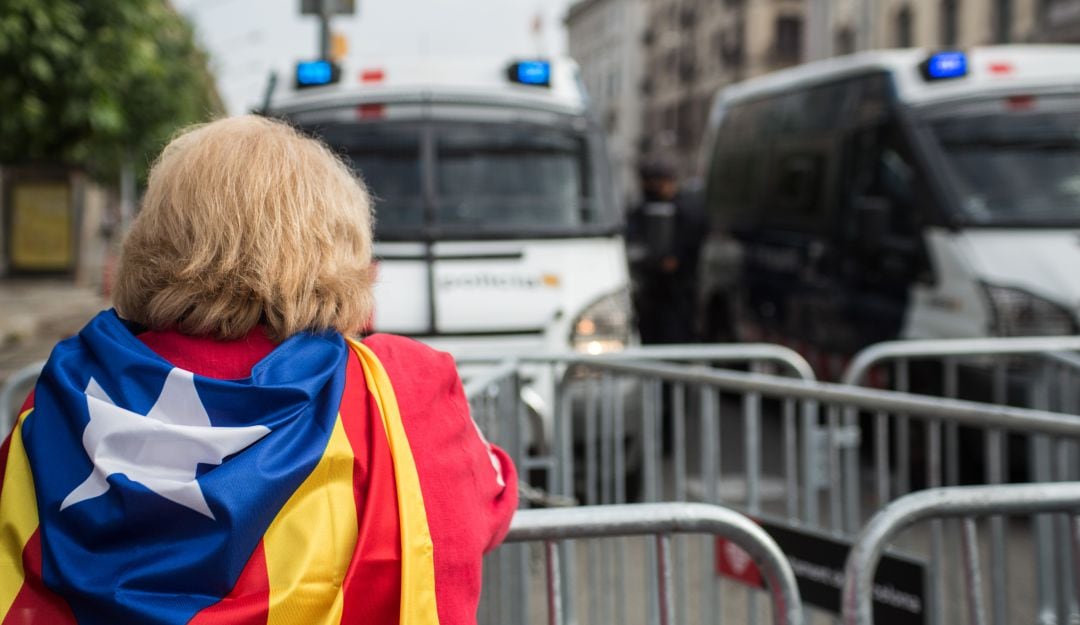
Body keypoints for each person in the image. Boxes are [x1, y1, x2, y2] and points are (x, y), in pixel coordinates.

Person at [0, 116, 518, 625]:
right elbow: (488, 496)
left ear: (152, 243)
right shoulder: (401, 393)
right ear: (338, 253)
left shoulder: (62, 398)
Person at [626, 159, 705, 345]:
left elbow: (691, 240)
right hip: (650, 291)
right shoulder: (643, 208)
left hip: (678, 292)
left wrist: (674, 258)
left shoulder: (685, 209)